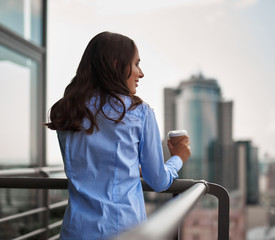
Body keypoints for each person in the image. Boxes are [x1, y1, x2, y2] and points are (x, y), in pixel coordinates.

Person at [45, 31, 191, 240]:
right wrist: (178, 157)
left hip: (75, 232)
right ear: (116, 65)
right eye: (136, 64)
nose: (141, 73)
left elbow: (89, 166)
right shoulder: (139, 113)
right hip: (124, 231)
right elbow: (158, 181)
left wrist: (129, 167)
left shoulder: (67, 111)